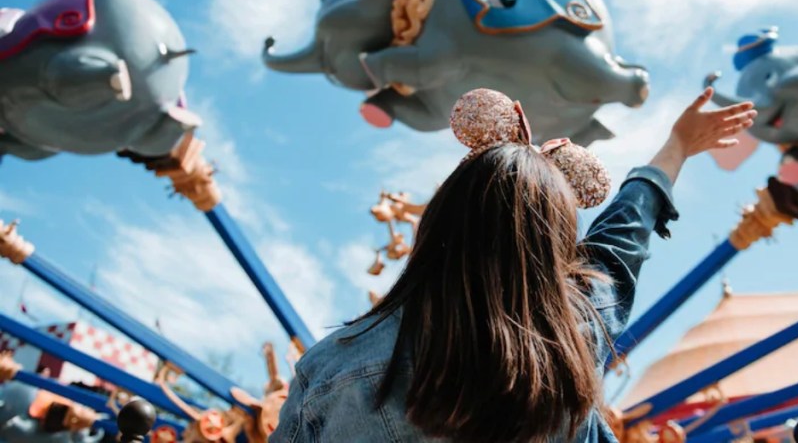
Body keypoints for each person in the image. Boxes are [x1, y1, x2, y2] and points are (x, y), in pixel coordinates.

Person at [272, 87, 756, 443]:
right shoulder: (573, 336)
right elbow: (621, 237)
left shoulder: (333, 367)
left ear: (439, 223)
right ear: (555, 249)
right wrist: (675, 148)